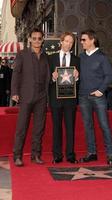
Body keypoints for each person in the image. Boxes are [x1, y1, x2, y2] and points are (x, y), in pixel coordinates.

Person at [11, 27, 50, 166]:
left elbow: (48, 77)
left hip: (41, 97)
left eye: (39, 38)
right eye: (34, 38)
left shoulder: (46, 57)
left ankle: (36, 155)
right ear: (29, 39)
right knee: (21, 128)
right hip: (26, 95)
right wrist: (15, 92)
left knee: (39, 128)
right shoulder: (22, 54)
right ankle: (17, 156)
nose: (37, 41)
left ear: (43, 39)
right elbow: (16, 74)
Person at [78, 29, 112, 165]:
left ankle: (110, 155)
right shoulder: (81, 57)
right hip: (83, 96)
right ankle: (92, 153)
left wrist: (101, 90)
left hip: (98, 97)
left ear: (92, 40)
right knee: (88, 126)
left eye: (84, 40)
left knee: (104, 125)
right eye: (81, 40)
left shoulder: (102, 57)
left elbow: (109, 76)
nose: (81, 42)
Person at [49, 32, 79, 163]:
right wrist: (52, 77)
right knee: (56, 127)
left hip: (70, 99)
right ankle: (57, 155)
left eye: (71, 42)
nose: (68, 44)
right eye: (66, 41)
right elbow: (46, 79)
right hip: (55, 98)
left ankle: (70, 155)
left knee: (70, 127)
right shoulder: (51, 58)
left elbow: (79, 81)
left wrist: (77, 76)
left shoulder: (77, 60)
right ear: (61, 42)